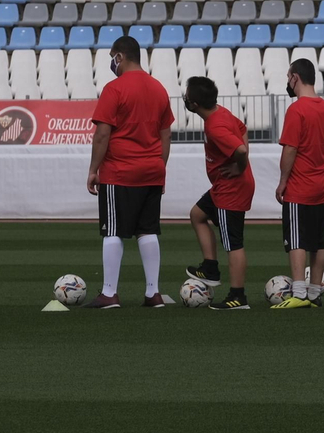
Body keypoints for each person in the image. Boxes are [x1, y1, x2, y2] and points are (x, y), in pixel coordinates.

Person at [82, 35, 174, 309]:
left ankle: (110, 293)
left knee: (113, 230)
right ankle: (153, 293)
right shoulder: (159, 88)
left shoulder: (114, 89)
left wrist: (93, 170)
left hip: (119, 171)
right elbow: (165, 135)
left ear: (120, 57)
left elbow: (102, 135)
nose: (112, 62)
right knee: (147, 231)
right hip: (151, 171)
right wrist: (161, 169)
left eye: (113, 57)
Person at [183, 76, 255, 310]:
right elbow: (243, 130)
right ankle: (210, 267)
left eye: (187, 96)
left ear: (194, 104)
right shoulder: (219, 113)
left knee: (233, 243)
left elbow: (241, 150)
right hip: (222, 187)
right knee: (197, 215)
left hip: (230, 191)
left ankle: (238, 296)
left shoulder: (215, 126)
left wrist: (240, 166)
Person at [273, 58, 324, 309]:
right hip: (322, 182)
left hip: (301, 184)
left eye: (289, 77)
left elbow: (291, 149)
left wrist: (282, 182)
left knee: (296, 239)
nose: (288, 82)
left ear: (295, 77)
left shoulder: (297, 110)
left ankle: (298, 293)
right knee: (318, 241)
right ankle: (314, 293)